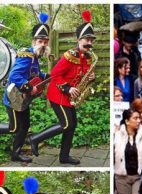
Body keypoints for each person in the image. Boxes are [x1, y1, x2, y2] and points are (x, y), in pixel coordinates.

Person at [29, 10, 97, 165]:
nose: (90, 43)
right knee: (66, 123)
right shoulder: (69, 55)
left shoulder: (87, 57)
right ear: (79, 40)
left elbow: (84, 76)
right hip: (58, 94)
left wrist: (92, 78)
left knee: (72, 126)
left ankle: (64, 157)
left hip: (69, 96)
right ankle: (34, 138)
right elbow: (54, 74)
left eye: (92, 40)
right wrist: (67, 89)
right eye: (87, 39)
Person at [1, 13, 50, 163]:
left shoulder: (34, 57)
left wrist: (45, 76)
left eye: (45, 42)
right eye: (40, 41)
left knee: (25, 126)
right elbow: (14, 76)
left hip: (23, 99)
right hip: (14, 98)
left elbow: (34, 73)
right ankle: (15, 154)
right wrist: (29, 88)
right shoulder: (26, 55)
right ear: (33, 41)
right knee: (14, 127)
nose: (43, 44)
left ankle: (15, 154)